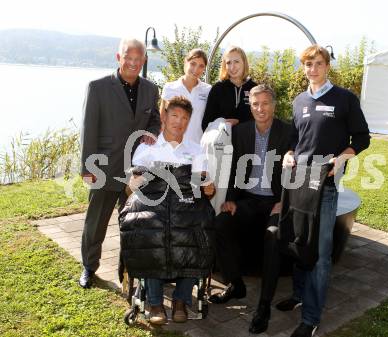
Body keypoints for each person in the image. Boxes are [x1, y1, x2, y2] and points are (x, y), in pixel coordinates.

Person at [249, 45, 370, 337]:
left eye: (318, 63)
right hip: (296, 183)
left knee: (320, 252)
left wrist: (341, 158)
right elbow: (295, 137)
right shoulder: (300, 100)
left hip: (324, 186)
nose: (312, 69)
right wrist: (289, 153)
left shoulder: (344, 99)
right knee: (298, 241)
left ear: (327, 66)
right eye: (307, 64)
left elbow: (363, 137)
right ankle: (300, 294)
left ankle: (311, 318)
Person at [122, 96, 215, 325]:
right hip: (154, 209)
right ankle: (154, 302)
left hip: (185, 209)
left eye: (184, 118)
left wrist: (209, 188)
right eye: (174, 116)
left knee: (195, 234)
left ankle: (181, 300)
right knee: (147, 231)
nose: (179, 122)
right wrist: (134, 182)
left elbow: (206, 189)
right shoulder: (146, 148)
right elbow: (129, 191)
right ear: (164, 117)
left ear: (189, 121)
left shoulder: (196, 150)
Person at [78, 37, 161, 289]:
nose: (133, 63)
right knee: (95, 224)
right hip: (103, 168)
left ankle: (127, 271)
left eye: (138, 59)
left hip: (135, 172)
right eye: (128, 57)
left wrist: (153, 132)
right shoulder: (98, 87)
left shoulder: (150, 89)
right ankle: (89, 268)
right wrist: (87, 167)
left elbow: (155, 120)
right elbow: (88, 129)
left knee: (132, 225)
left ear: (144, 60)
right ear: (119, 58)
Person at [208, 84, 291, 304]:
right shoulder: (241, 131)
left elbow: (296, 172)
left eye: (265, 103)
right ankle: (236, 284)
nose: (260, 109)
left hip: (275, 202)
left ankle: (264, 304)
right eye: (255, 104)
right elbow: (236, 168)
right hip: (249, 199)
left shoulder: (288, 131)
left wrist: (284, 200)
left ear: (273, 105)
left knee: (273, 236)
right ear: (251, 107)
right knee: (219, 225)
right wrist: (231, 200)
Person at [160, 49, 211, 143]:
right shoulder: (170, 88)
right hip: (171, 145)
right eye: (193, 63)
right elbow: (162, 119)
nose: (196, 69)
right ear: (185, 62)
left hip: (197, 146)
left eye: (201, 66)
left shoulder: (208, 90)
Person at [201, 46, 257, 130]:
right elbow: (206, 123)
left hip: (248, 141)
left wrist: (239, 122)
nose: (232, 67)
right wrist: (223, 125)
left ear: (244, 63)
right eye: (228, 63)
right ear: (224, 65)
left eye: (236, 62)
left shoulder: (254, 88)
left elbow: (262, 120)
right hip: (222, 142)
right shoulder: (218, 89)